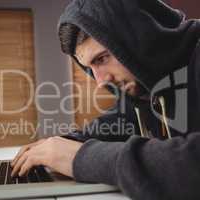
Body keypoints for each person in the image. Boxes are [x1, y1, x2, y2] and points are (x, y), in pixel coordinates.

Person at [11, 0, 200, 199]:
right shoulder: (143, 89)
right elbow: (116, 123)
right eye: (89, 68)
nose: (100, 81)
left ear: (140, 35)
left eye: (101, 59)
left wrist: (80, 159)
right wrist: (56, 147)